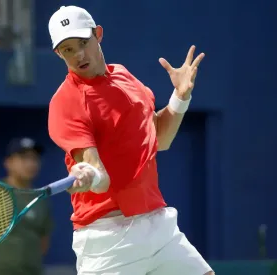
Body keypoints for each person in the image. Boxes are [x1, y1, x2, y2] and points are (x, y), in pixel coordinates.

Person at [47, 5, 213, 275]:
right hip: (108, 239)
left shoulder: (124, 77)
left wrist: (180, 97)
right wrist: (89, 174)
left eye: (83, 43)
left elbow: (158, 138)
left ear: (97, 34)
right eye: (67, 49)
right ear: (58, 53)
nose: (78, 55)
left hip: (158, 225)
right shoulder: (66, 102)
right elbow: (100, 179)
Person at [0, 137, 54, 275]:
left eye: (34, 158)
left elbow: (44, 243)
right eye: (24, 158)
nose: (30, 163)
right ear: (8, 163)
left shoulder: (42, 198)